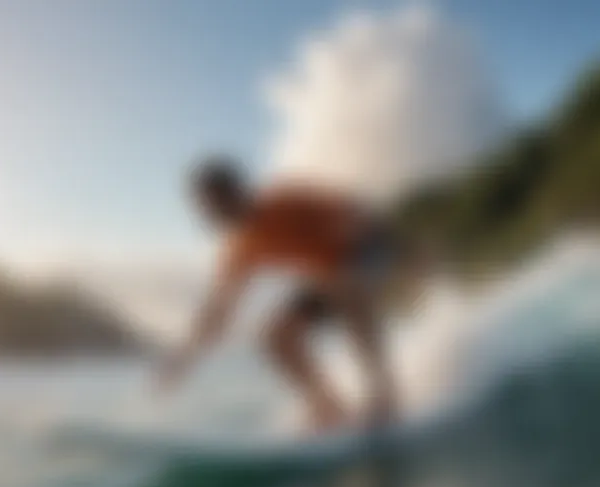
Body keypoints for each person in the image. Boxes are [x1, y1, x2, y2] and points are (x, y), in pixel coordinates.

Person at [157, 157, 418, 432]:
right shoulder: (242, 247)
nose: (210, 214)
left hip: (374, 253)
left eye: (214, 203)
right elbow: (217, 312)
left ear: (236, 191)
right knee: (274, 338)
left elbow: (356, 210)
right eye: (205, 207)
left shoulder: (285, 202)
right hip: (329, 277)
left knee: (343, 284)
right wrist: (181, 362)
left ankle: (385, 393)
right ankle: (329, 406)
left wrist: (391, 247)